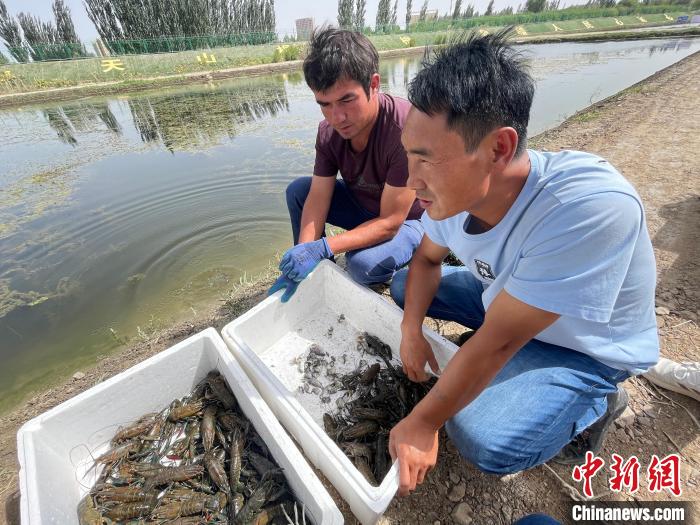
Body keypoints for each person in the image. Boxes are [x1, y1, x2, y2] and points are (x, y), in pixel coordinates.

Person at [387, 29, 659, 496]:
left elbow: (496, 345)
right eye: (408, 155)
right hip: (511, 300)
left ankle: (600, 402)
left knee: (479, 437)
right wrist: (411, 329)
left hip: (583, 345)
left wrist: (422, 422)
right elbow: (427, 261)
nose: (412, 181)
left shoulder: (588, 207)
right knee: (402, 287)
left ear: (498, 148)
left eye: (426, 160)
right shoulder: (453, 198)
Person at [269, 28, 423, 302]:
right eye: (324, 104)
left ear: (373, 84)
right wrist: (306, 251)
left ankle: (388, 266)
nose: (337, 117)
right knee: (299, 191)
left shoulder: (404, 128)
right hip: (364, 208)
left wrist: (325, 246)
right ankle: (311, 270)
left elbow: (390, 221)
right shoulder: (328, 132)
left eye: (346, 100)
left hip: (407, 220)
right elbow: (317, 198)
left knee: (361, 266)